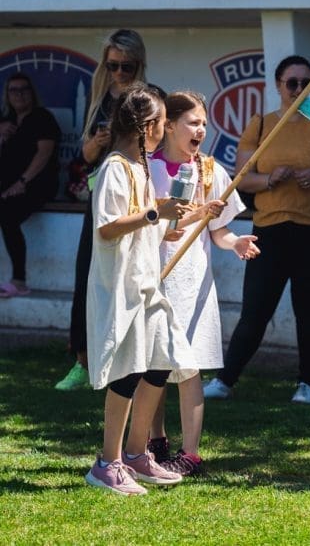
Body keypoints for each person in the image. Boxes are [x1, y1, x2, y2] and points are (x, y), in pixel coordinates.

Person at [203, 55, 310, 404]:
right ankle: (225, 380)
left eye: (306, 82)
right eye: (292, 83)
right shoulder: (260, 125)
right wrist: (270, 179)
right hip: (268, 230)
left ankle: (308, 384)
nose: (299, 89)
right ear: (278, 85)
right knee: (255, 311)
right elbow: (241, 180)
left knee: (309, 311)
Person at [84, 84, 197, 495]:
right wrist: (155, 212)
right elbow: (108, 227)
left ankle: (135, 454)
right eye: (162, 122)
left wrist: (173, 221)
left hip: (148, 283)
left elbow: (149, 226)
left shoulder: (141, 166)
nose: (165, 129)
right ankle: (106, 463)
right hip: (122, 287)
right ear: (147, 126)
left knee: (160, 361)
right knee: (128, 371)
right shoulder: (115, 167)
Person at [147, 91, 259, 475]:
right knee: (153, 363)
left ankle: (191, 453)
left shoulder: (210, 171)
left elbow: (219, 230)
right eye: (193, 122)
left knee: (188, 364)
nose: (200, 130)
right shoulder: (147, 169)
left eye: (204, 124)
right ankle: (155, 441)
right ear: (169, 125)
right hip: (155, 274)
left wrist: (235, 243)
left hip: (192, 280)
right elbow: (149, 225)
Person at [57, 29, 148, 391]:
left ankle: (134, 361)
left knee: (134, 279)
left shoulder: (149, 98)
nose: (120, 73)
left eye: (127, 66)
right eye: (113, 65)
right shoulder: (98, 98)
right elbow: (84, 156)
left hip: (138, 197)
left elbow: (157, 148)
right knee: (87, 275)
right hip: (101, 197)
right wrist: (97, 143)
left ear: (139, 64)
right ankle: (81, 360)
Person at [0, 73, 61, 298]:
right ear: (7, 95)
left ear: (32, 93)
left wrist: (22, 182)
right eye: (13, 90)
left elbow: (44, 153)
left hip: (37, 185)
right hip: (8, 186)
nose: (19, 94)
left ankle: (19, 281)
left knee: (6, 214)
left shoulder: (42, 118)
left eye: (24, 89)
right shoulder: (6, 121)